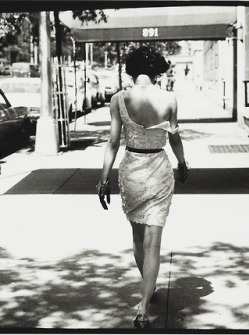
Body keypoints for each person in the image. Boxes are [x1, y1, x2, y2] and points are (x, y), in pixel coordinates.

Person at [97, 46, 189, 329]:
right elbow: (174, 138)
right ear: (157, 69)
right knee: (154, 240)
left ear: (131, 69)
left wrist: (103, 179)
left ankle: (147, 289)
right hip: (159, 168)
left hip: (132, 168)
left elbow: (113, 142)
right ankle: (144, 305)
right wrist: (183, 162)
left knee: (138, 237)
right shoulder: (170, 98)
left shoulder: (118, 100)